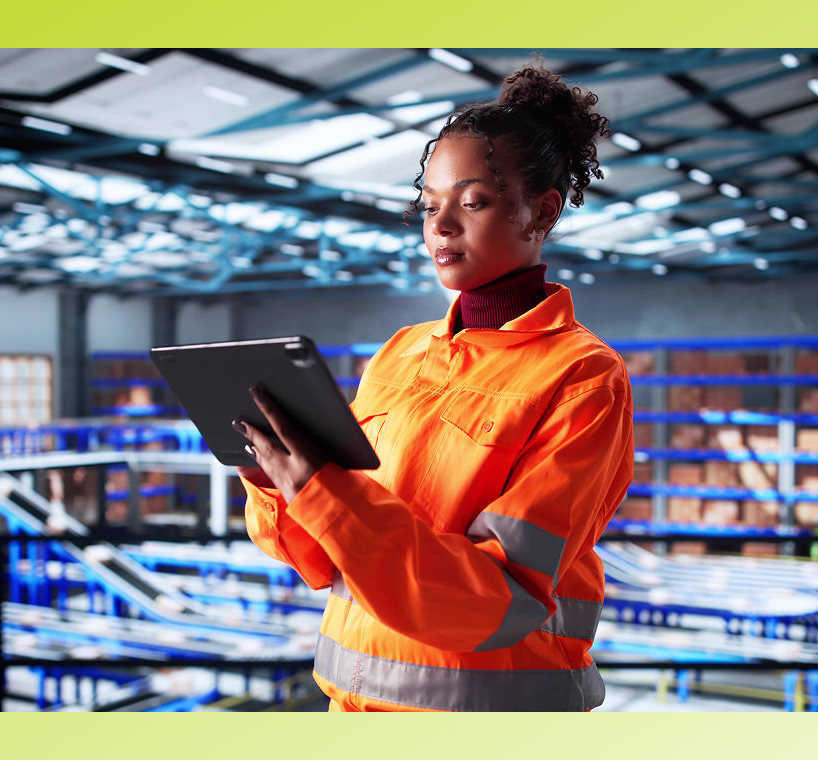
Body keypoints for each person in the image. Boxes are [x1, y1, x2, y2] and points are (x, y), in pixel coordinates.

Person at [232, 61, 635, 712]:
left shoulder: (583, 378)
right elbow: (320, 556)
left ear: (543, 212)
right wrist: (278, 478)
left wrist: (324, 492)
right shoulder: (399, 353)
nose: (440, 227)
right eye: (429, 206)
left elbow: (503, 598)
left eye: (472, 202)